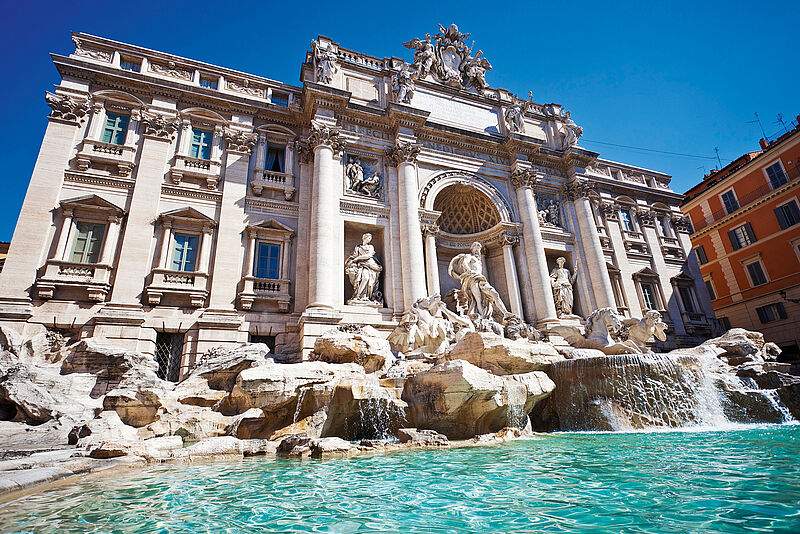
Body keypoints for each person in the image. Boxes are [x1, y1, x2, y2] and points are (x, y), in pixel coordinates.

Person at [448, 241, 510, 322]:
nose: (477, 251)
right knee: (478, 299)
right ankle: (483, 320)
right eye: (475, 249)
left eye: (479, 249)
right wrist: (469, 271)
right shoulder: (469, 256)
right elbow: (464, 263)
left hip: (481, 279)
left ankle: (505, 313)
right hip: (472, 278)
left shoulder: (479, 260)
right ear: (472, 249)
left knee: (494, 294)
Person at [345, 233, 382, 303]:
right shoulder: (358, 248)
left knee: (367, 278)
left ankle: (364, 296)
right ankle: (358, 296)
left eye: (370, 239)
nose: (369, 240)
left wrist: (358, 258)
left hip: (371, 265)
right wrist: (352, 261)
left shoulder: (371, 247)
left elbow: (369, 255)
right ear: (364, 238)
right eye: (369, 238)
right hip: (361, 265)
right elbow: (353, 256)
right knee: (363, 278)